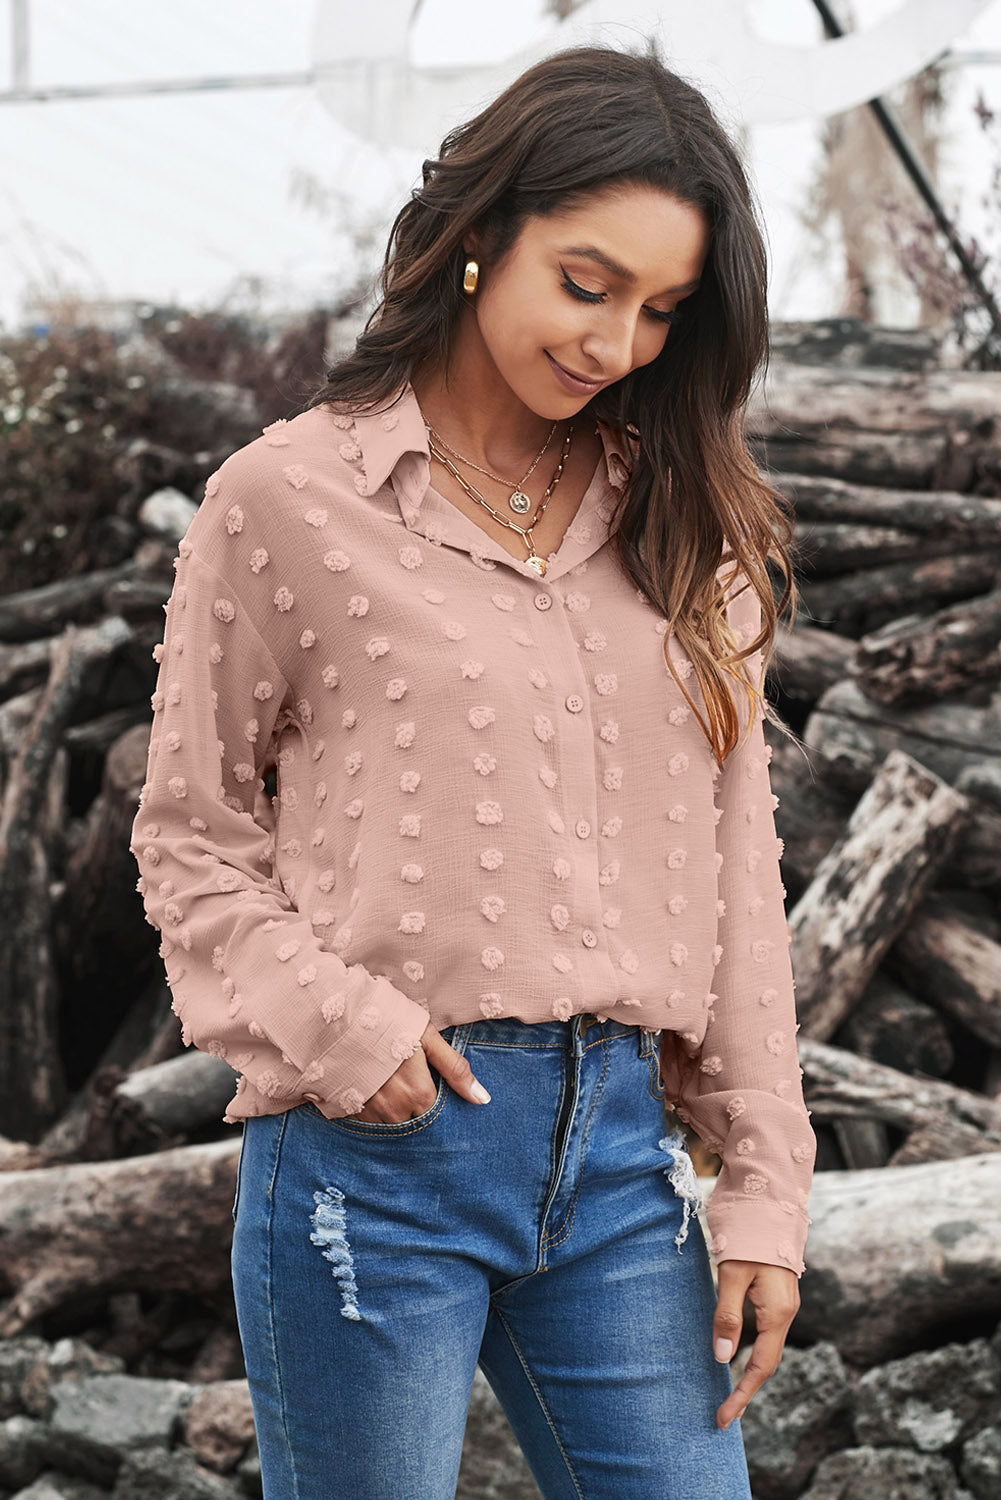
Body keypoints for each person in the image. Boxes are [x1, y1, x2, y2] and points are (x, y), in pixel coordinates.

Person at [130, 42, 817, 1500]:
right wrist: (342, 1028)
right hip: (375, 1160)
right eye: (587, 282)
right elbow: (192, 837)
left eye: (660, 310)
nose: (618, 342)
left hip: (626, 1170)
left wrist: (760, 1189)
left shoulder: (681, 522)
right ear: (477, 236)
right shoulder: (282, 504)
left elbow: (733, 868)